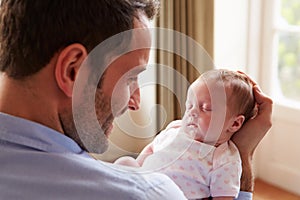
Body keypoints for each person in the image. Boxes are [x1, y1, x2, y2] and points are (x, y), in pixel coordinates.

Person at [0, 0, 273, 200]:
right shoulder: (144, 194)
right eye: (131, 78)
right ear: (73, 70)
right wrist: (244, 153)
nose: (135, 101)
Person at [115, 69, 258, 199]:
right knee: (126, 162)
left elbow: (223, 197)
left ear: (234, 124)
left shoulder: (224, 158)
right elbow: (152, 149)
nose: (192, 113)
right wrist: (138, 170)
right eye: (189, 105)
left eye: (205, 108)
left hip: (168, 196)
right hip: (142, 185)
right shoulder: (175, 128)